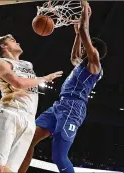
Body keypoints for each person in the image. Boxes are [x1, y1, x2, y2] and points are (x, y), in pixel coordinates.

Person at [19, 2, 107, 173]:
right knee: (28, 140)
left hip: (74, 108)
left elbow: (84, 31)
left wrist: (84, 11)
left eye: (86, 46)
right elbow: (74, 56)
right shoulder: (81, 64)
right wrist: (77, 35)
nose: (83, 48)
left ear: (93, 49)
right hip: (60, 105)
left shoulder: (94, 63)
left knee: (59, 157)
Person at [0, 34, 63, 173]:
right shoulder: (1, 63)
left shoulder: (27, 64)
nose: (18, 42)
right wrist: (44, 78)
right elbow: (18, 83)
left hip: (29, 120)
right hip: (9, 113)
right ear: (3, 46)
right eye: (13, 40)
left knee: (9, 171)